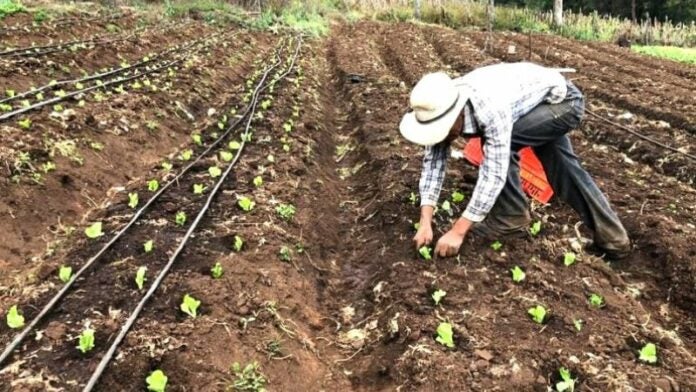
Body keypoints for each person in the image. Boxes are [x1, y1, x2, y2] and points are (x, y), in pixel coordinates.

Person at [399, 63, 631, 259]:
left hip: (562, 103)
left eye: (445, 129)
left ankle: (509, 217)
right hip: (532, 103)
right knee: (564, 168)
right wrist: (425, 221)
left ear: (458, 113)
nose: (443, 136)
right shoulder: (438, 105)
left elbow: (494, 173)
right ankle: (613, 239)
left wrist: (458, 231)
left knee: (503, 143)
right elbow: (433, 165)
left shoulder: (488, 109)